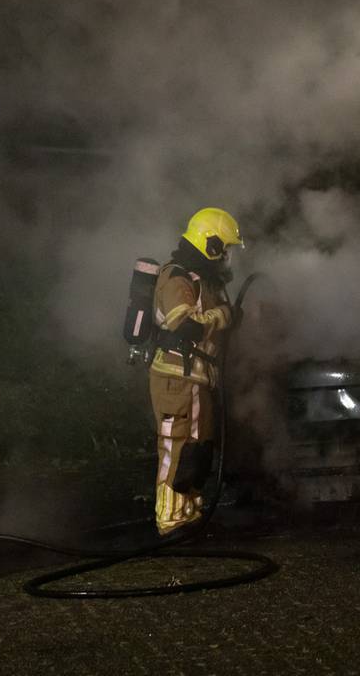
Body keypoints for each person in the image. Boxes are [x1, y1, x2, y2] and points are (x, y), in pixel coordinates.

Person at [147, 207, 243, 536]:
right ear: (210, 245)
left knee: (198, 448)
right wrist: (224, 318)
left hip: (197, 378)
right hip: (177, 379)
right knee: (177, 445)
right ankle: (169, 520)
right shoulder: (177, 277)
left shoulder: (204, 280)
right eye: (225, 250)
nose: (226, 258)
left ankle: (188, 514)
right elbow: (184, 325)